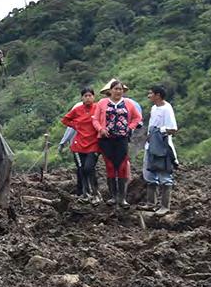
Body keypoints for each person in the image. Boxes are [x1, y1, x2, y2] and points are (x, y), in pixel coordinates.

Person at [92, 78, 142, 209]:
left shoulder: (128, 103)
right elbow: (95, 120)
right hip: (106, 139)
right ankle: (113, 196)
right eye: (116, 89)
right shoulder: (102, 103)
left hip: (122, 139)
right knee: (109, 166)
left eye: (120, 89)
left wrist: (130, 127)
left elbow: (137, 117)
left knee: (122, 167)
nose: (118, 91)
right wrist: (101, 129)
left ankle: (122, 198)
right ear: (110, 90)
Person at [143, 84, 179, 213]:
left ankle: (165, 206)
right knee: (149, 174)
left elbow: (173, 129)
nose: (149, 96)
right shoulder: (154, 108)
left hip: (162, 147)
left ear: (157, 95)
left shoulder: (167, 109)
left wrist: (158, 131)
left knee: (164, 175)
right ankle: (151, 203)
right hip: (150, 146)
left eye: (150, 93)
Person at [60, 87, 101, 201]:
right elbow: (65, 120)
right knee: (81, 169)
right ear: (82, 98)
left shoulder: (98, 108)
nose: (88, 98)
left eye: (90, 96)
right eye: (85, 96)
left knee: (89, 167)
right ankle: (85, 194)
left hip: (94, 144)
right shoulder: (77, 109)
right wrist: (75, 125)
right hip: (78, 145)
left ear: (94, 97)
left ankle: (95, 193)